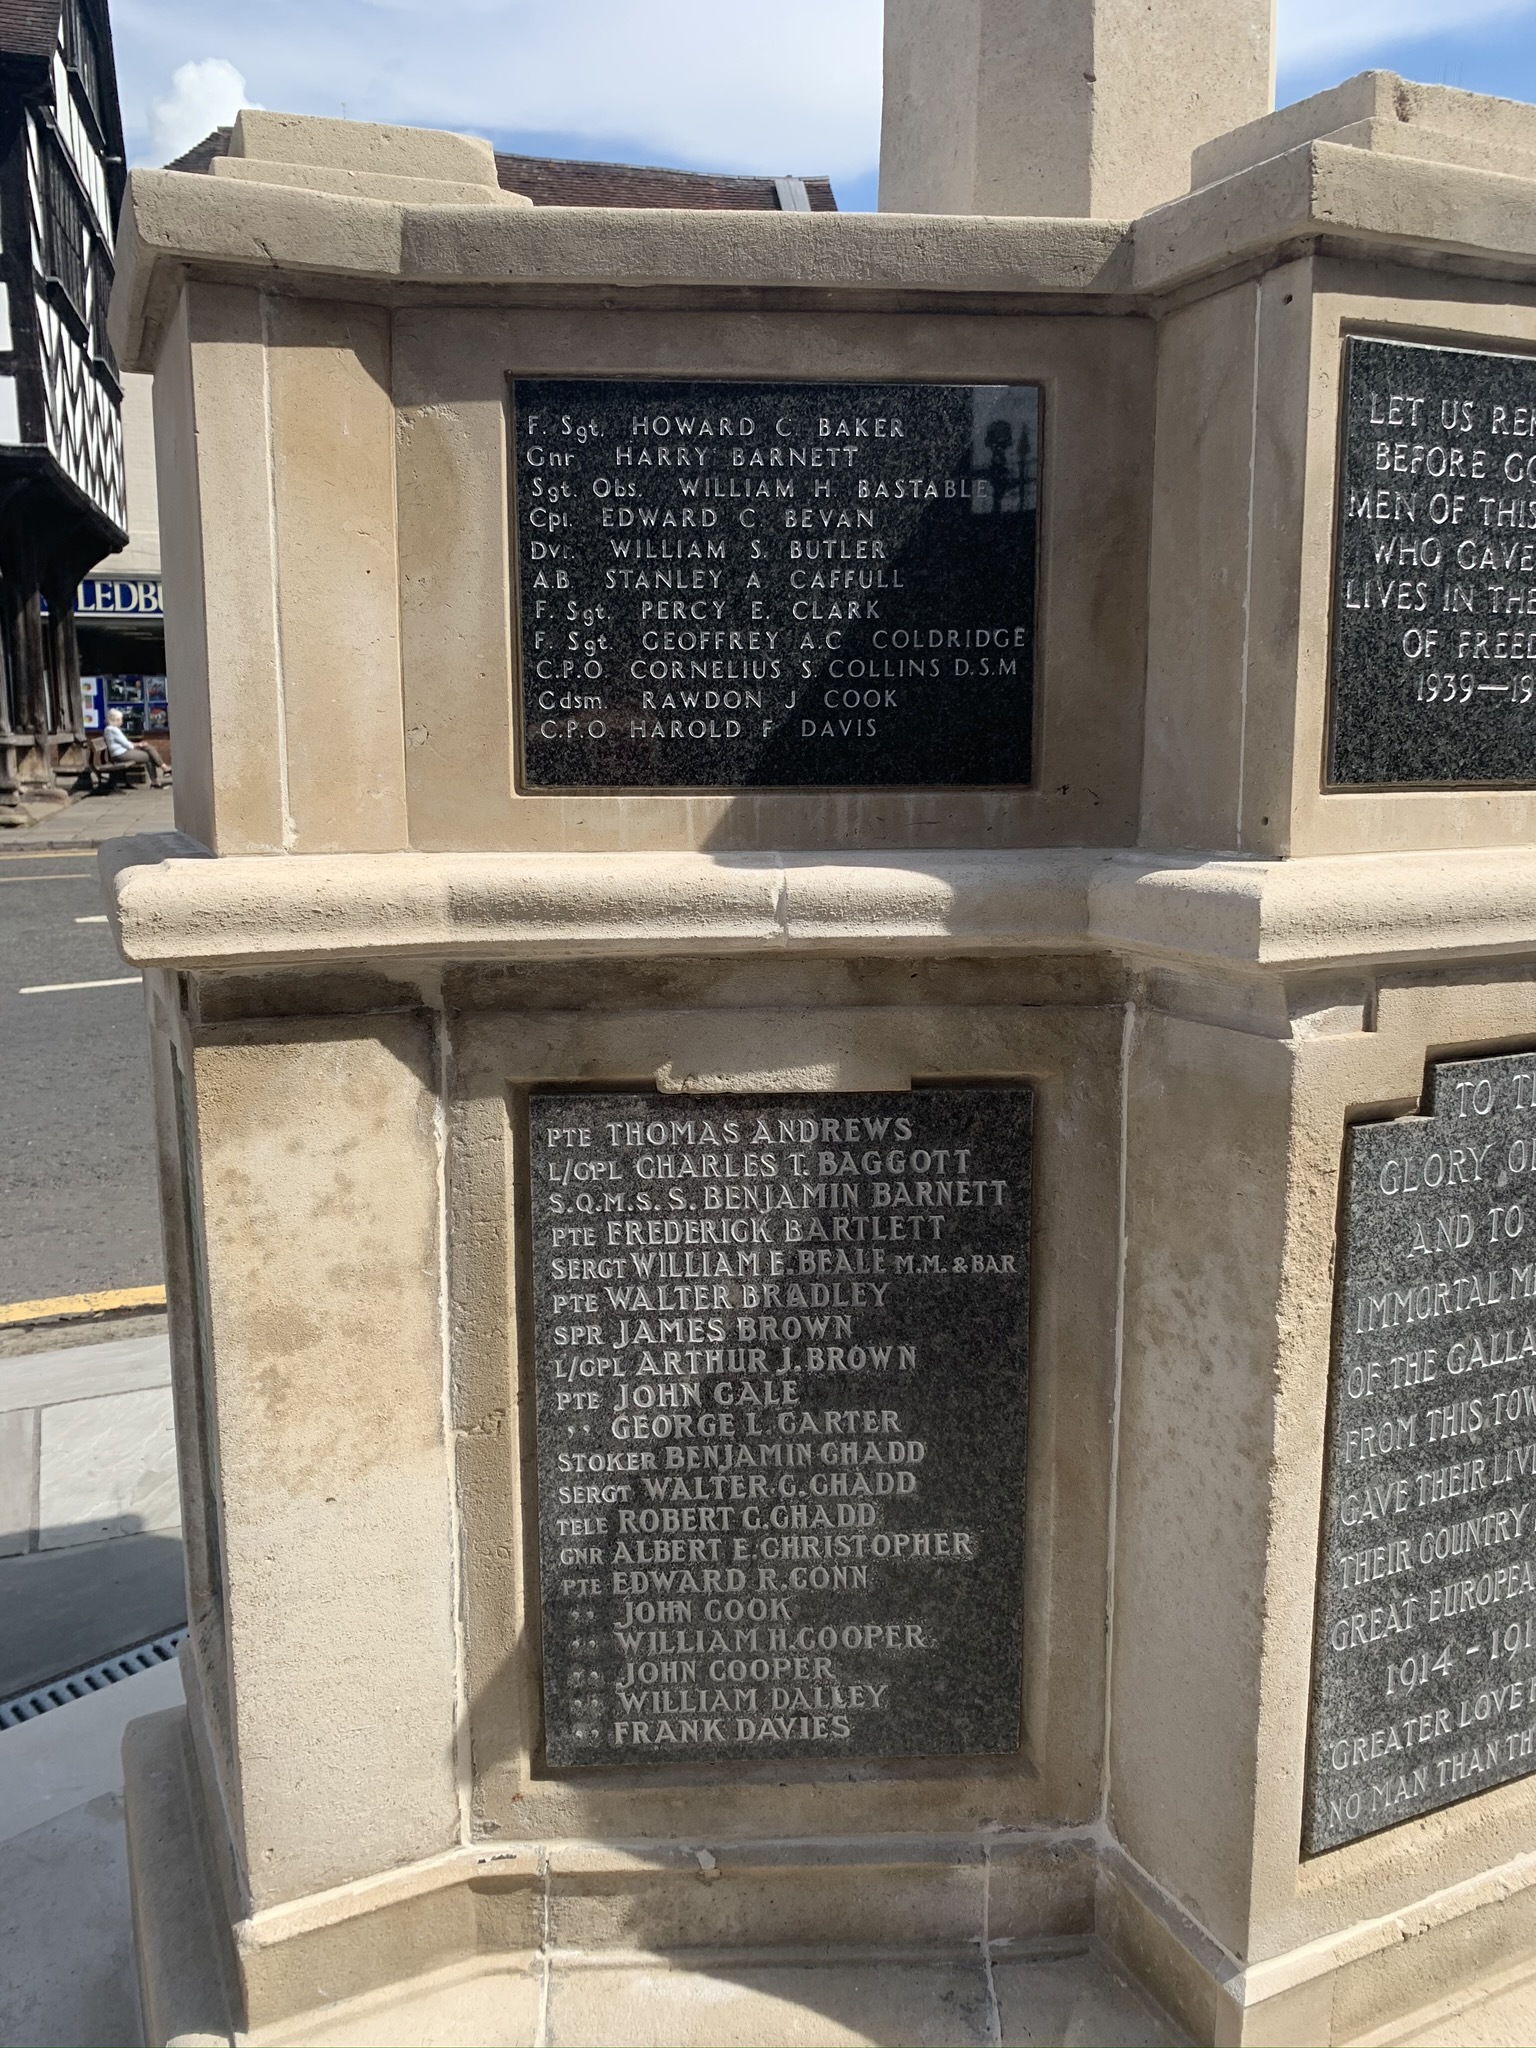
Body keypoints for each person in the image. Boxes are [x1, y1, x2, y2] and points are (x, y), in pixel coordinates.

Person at [101, 707, 167, 787]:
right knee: (148, 756)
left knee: (149, 748)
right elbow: (128, 745)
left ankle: (162, 769)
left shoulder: (111, 729)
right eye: (121, 719)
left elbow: (127, 744)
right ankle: (158, 776)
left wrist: (140, 744)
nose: (122, 721)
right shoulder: (112, 730)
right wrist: (139, 744)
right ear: (116, 720)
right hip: (120, 755)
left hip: (123, 752)